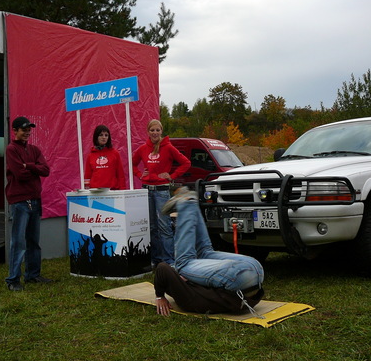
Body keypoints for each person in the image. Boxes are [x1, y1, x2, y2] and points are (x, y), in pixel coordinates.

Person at [154, 187, 264, 316]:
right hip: (236, 276)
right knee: (183, 263)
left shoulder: (195, 296)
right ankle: (187, 203)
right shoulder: (188, 300)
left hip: (257, 273)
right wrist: (160, 295)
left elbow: (165, 270)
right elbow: (162, 268)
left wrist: (161, 295)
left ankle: (192, 203)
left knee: (203, 252)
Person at [132, 119, 190, 267]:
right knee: (151, 227)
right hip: (147, 191)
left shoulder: (168, 147)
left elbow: (186, 163)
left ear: (161, 131)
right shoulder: (143, 148)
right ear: (148, 132)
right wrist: (140, 174)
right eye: (152, 130)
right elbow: (132, 163)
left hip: (162, 191)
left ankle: (169, 260)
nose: (155, 133)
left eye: (157, 130)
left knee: (164, 227)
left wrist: (172, 176)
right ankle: (155, 259)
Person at [5, 116, 52, 291]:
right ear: (15, 131)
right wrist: (33, 168)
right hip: (19, 202)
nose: (27, 133)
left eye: (28, 130)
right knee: (18, 242)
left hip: (34, 200)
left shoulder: (34, 149)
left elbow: (46, 170)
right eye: (23, 130)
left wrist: (28, 165)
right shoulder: (11, 149)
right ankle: (13, 280)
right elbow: (20, 175)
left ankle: (33, 275)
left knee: (33, 241)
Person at [84, 125, 126, 190]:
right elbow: (87, 175)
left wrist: (123, 191)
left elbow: (120, 174)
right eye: (101, 135)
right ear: (96, 137)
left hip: (112, 191)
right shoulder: (90, 156)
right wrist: (86, 191)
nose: (104, 137)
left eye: (106, 135)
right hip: (95, 192)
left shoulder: (115, 153)